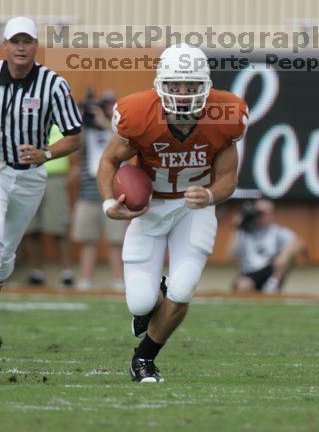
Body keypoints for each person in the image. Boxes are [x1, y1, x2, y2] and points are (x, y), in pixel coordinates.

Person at [97, 43, 248, 382]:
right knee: (139, 303)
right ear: (160, 84)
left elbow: (228, 178)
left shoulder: (225, 114)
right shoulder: (138, 113)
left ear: (205, 85)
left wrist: (209, 194)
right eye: (175, 85)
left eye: (191, 85)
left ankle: (144, 359)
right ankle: (154, 301)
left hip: (192, 209)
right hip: (149, 210)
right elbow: (110, 160)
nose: (182, 93)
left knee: (183, 289)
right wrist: (110, 203)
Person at [0, 16, 83, 350]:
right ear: (4, 45)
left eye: (27, 41)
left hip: (30, 175)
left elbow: (74, 136)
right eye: (15, 41)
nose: (21, 47)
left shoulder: (53, 83)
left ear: (36, 46)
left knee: (6, 252)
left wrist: (46, 153)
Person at [70, 90, 126, 290]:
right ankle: (85, 280)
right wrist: (82, 116)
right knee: (88, 240)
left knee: (116, 241)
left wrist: (105, 123)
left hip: (115, 195)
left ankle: (118, 279)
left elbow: (126, 145)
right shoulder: (86, 132)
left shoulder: (120, 131)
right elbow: (74, 143)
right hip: (87, 194)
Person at [24, 124, 75, 287]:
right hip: (28, 176)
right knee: (32, 228)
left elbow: (76, 144)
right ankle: (36, 272)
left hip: (54, 177)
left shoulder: (61, 118)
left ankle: (66, 272)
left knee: (59, 226)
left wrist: (72, 174)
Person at [230, 199, 305, 294]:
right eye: (260, 213)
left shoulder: (277, 232)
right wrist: (236, 229)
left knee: (289, 253)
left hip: (271, 271)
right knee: (242, 285)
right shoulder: (244, 232)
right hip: (250, 273)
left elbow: (299, 243)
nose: (263, 216)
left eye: (266, 213)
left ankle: (272, 286)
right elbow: (230, 257)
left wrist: (284, 256)